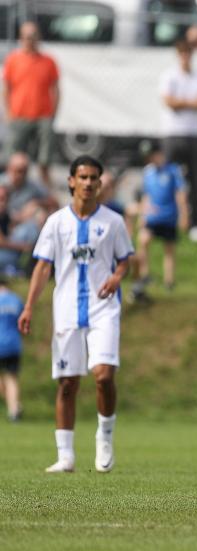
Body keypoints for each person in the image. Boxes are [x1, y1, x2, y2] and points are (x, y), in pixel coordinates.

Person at [18, 156, 134, 473]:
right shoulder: (56, 223)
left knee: (104, 375)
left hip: (103, 308)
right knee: (67, 383)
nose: (87, 183)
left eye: (93, 177)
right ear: (71, 181)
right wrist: (29, 305)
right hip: (67, 309)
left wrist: (117, 276)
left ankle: (104, 436)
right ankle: (65, 455)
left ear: (99, 183)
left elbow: (125, 260)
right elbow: (43, 266)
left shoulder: (113, 221)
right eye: (82, 177)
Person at [159, 39, 197, 242]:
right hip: (172, 133)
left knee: (194, 181)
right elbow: (169, 102)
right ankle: (166, 218)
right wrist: (191, 103)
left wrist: (182, 103)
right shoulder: (169, 76)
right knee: (167, 179)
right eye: (182, 53)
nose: (185, 56)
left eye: (188, 52)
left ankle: (195, 223)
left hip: (193, 134)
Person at [2, 21, 59, 191]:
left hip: (43, 116)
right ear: (21, 38)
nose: (30, 40)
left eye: (33, 36)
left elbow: (55, 89)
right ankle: (11, 191)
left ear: (38, 38)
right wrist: (8, 112)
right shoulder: (13, 59)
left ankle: (46, 193)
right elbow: (6, 88)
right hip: (19, 115)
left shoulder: (48, 61)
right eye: (27, 37)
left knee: (44, 160)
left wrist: (52, 114)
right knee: (14, 158)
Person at [132, 141, 188, 302]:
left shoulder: (172, 171)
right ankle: (145, 275)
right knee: (143, 241)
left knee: (169, 250)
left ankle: (169, 281)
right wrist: (143, 215)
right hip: (152, 217)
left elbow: (180, 194)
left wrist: (184, 215)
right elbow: (146, 195)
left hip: (169, 217)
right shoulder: (148, 173)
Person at [0, 276, 23, 421]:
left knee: (5, 380)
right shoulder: (16, 300)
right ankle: (14, 408)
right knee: (11, 378)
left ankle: (14, 406)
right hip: (13, 343)